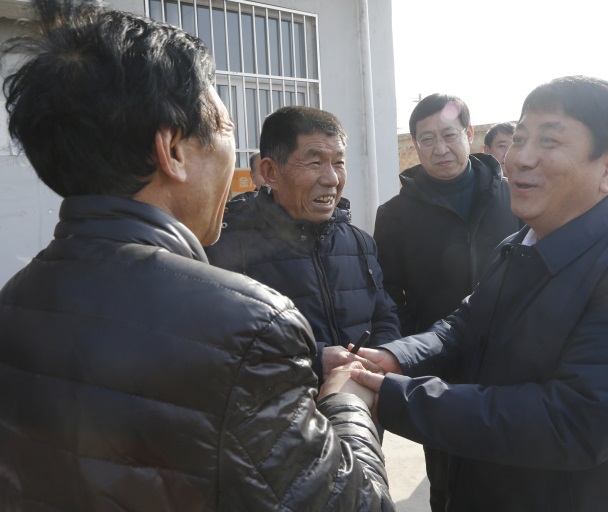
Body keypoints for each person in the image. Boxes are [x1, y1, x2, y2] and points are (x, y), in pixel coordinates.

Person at [0, 1, 393, 510]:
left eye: (338, 162)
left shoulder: (15, 301)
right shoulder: (248, 324)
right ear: (173, 152)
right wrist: (344, 400)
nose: (331, 178)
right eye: (225, 129)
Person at [353, 76, 608, 511]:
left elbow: (571, 424)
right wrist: (395, 357)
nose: (519, 158)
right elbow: (464, 326)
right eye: (518, 139)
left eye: (548, 141)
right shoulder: (521, 243)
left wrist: (393, 396)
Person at [373, 93, 519, 511]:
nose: (440, 149)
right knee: (447, 479)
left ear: (469, 134)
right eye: (428, 139)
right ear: (414, 145)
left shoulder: (514, 197)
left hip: (513, 361)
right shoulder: (395, 214)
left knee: (513, 474)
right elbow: (387, 292)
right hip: (440, 367)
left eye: (450, 135)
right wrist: (418, 344)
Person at [205, 105, 400, 384]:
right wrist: (316, 361)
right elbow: (221, 343)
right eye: (315, 163)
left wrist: (378, 361)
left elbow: (384, 316)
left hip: (362, 401)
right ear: (271, 172)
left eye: (339, 163)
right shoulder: (225, 247)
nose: (332, 179)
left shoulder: (359, 243)